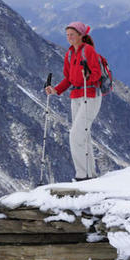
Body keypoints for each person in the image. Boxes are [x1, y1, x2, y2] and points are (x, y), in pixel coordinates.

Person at [45, 22, 102, 181]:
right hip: (76, 97)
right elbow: (69, 78)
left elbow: (96, 74)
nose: (69, 38)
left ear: (81, 35)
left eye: (72, 34)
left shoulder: (88, 51)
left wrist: (87, 76)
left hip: (90, 96)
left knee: (76, 135)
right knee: (83, 135)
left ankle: (83, 175)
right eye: (67, 35)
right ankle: (90, 174)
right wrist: (55, 90)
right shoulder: (70, 54)